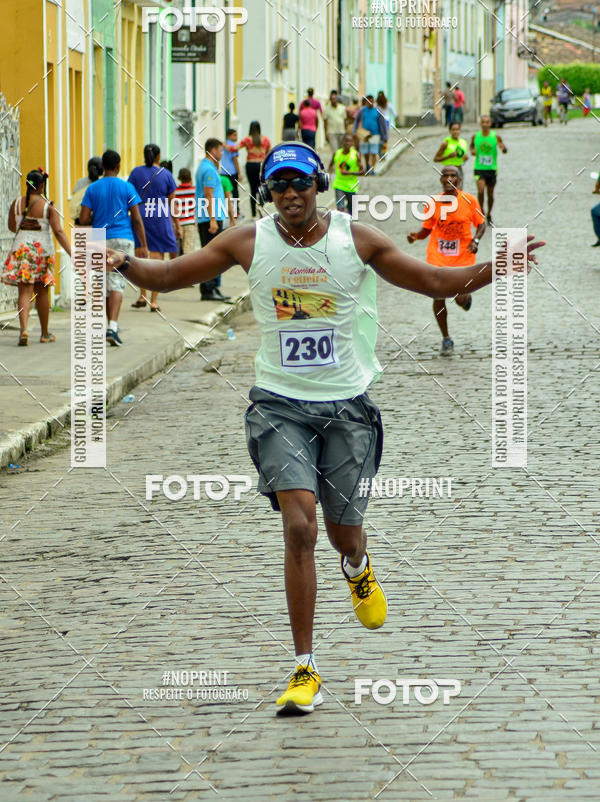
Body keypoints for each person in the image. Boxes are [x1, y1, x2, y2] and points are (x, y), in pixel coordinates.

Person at [102, 140, 545, 717]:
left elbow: (437, 282)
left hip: (347, 407)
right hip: (278, 405)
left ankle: (357, 565)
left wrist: (495, 270)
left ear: (319, 187)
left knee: (341, 535)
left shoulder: (356, 241)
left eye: (300, 184)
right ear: (268, 192)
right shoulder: (246, 240)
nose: (290, 194)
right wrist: (120, 262)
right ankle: (304, 667)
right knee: (299, 524)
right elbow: (169, 276)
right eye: (279, 185)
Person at [406, 166, 486, 356]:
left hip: (463, 256)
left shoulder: (469, 200)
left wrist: (475, 240)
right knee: (438, 295)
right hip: (438, 256)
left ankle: (464, 297)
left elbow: (481, 224)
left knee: (460, 298)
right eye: (445, 175)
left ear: (459, 180)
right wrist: (415, 236)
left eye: (453, 175)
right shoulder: (433, 203)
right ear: (441, 180)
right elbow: (426, 229)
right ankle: (446, 338)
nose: (449, 178)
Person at [79, 150, 148, 345]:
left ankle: (110, 327)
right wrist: (143, 244)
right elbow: (136, 218)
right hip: (123, 239)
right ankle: (113, 327)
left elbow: (84, 219)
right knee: (117, 283)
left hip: (100, 240)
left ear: (103, 167)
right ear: (118, 166)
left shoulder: (92, 189)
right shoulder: (127, 187)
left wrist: (98, 216)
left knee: (105, 285)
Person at [2, 168, 71, 346]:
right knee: (42, 293)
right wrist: (72, 252)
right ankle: (44, 333)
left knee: (24, 292)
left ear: (27, 185)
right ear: (42, 185)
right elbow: (59, 232)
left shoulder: (17, 203)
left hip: (22, 250)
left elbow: (11, 226)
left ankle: (24, 330)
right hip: (42, 253)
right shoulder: (48, 206)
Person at [128, 144, 180, 312]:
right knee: (157, 257)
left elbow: (130, 195)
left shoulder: (136, 172)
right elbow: (173, 202)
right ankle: (154, 300)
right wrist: (177, 224)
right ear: (158, 156)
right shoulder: (166, 174)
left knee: (141, 256)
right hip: (160, 215)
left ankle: (142, 296)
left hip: (140, 214)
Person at [196, 138, 233, 301]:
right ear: (212, 150)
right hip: (210, 217)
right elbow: (208, 194)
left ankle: (210, 288)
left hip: (209, 216)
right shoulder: (209, 170)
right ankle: (209, 289)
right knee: (213, 256)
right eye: (220, 150)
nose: (222, 153)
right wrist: (212, 219)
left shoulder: (206, 167)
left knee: (208, 255)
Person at [470, 115, 507, 225]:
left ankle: (489, 213)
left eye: (487, 122)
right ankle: (481, 210)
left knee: (490, 194)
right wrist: (472, 151)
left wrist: (502, 148)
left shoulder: (495, 136)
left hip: (491, 169)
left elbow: (503, 148)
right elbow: (471, 147)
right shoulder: (475, 136)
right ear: (480, 124)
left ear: (490, 123)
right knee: (481, 191)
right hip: (479, 168)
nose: (485, 124)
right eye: (483, 122)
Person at [234, 122, 271, 218]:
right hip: (261, 165)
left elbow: (235, 147)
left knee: (252, 189)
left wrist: (226, 145)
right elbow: (269, 151)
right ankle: (261, 207)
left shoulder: (247, 140)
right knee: (261, 186)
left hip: (250, 165)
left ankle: (253, 213)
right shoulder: (265, 140)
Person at [328, 132, 364, 213]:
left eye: (350, 141)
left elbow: (363, 171)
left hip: (351, 186)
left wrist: (349, 173)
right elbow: (330, 166)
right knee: (340, 209)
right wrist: (329, 176)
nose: (348, 143)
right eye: (346, 141)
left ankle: (350, 224)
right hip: (339, 185)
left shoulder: (355, 155)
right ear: (342, 142)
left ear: (353, 143)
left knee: (352, 211)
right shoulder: (336, 154)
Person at [352, 95, 387, 174]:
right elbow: (356, 121)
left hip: (375, 134)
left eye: (371, 101)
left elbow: (382, 123)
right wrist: (354, 131)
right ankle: (367, 165)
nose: (370, 103)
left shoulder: (378, 110)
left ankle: (372, 168)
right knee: (366, 152)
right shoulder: (362, 111)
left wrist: (384, 135)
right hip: (365, 135)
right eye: (368, 101)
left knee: (374, 152)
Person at [172, 168, 198, 255]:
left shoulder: (175, 191)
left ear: (179, 178)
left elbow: (173, 206)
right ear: (190, 178)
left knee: (178, 249)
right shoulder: (194, 190)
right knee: (188, 249)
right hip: (190, 222)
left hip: (178, 223)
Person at [70, 156, 103, 224]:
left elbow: (75, 201)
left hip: (79, 222)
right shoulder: (102, 183)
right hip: (97, 221)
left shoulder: (80, 182)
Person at [220, 128, 241, 208]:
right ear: (229, 136)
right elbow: (235, 160)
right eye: (234, 135)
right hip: (232, 172)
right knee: (235, 192)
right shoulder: (233, 146)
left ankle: (224, 209)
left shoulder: (222, 145)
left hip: (223, 172)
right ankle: (236, 210)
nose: (236, 137)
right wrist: (239, 172)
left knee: (224, 192)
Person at [323, 90, 348, 156]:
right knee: (335, 151)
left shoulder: (342, 108)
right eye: (332, 99)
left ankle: (340, 165)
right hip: (331, 133)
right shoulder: (326, 109)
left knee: (341, 151)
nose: (333, 100)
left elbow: (345, 120)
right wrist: (325, 134)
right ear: (330, 100)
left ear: (337, 99)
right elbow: (325, 123)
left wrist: (346, 132)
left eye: (335, 99)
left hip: (341, 132)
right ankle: (335, 165)